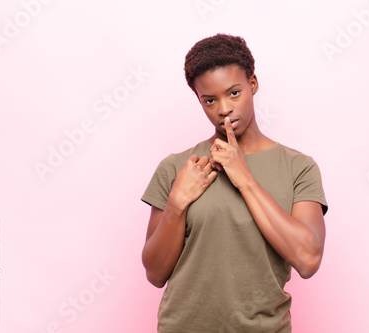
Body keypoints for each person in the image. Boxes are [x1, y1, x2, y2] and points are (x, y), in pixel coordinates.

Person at [141, 33, 328, 333]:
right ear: (199, 100)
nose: (224, 109)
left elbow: (308, 259)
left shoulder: (298, 167)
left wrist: (245, 179)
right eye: (210, 100)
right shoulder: (177, 167)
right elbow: (155, 273)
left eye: (234, 93)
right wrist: (177, 203)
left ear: (252, 84)